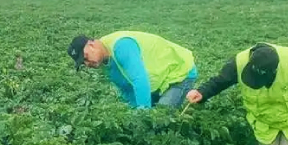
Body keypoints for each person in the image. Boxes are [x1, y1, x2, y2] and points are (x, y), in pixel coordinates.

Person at [67, 31, 198, 109]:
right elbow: (126, 89)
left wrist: (143, 114)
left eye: (86, 57)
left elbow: (140, 80)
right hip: (160, 81)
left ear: (91, 45)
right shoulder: (104, 61)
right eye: (83, 62)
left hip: (179, 73)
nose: (87, 63)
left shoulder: (121, 46)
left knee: (159, 118)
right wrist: (134, 111)